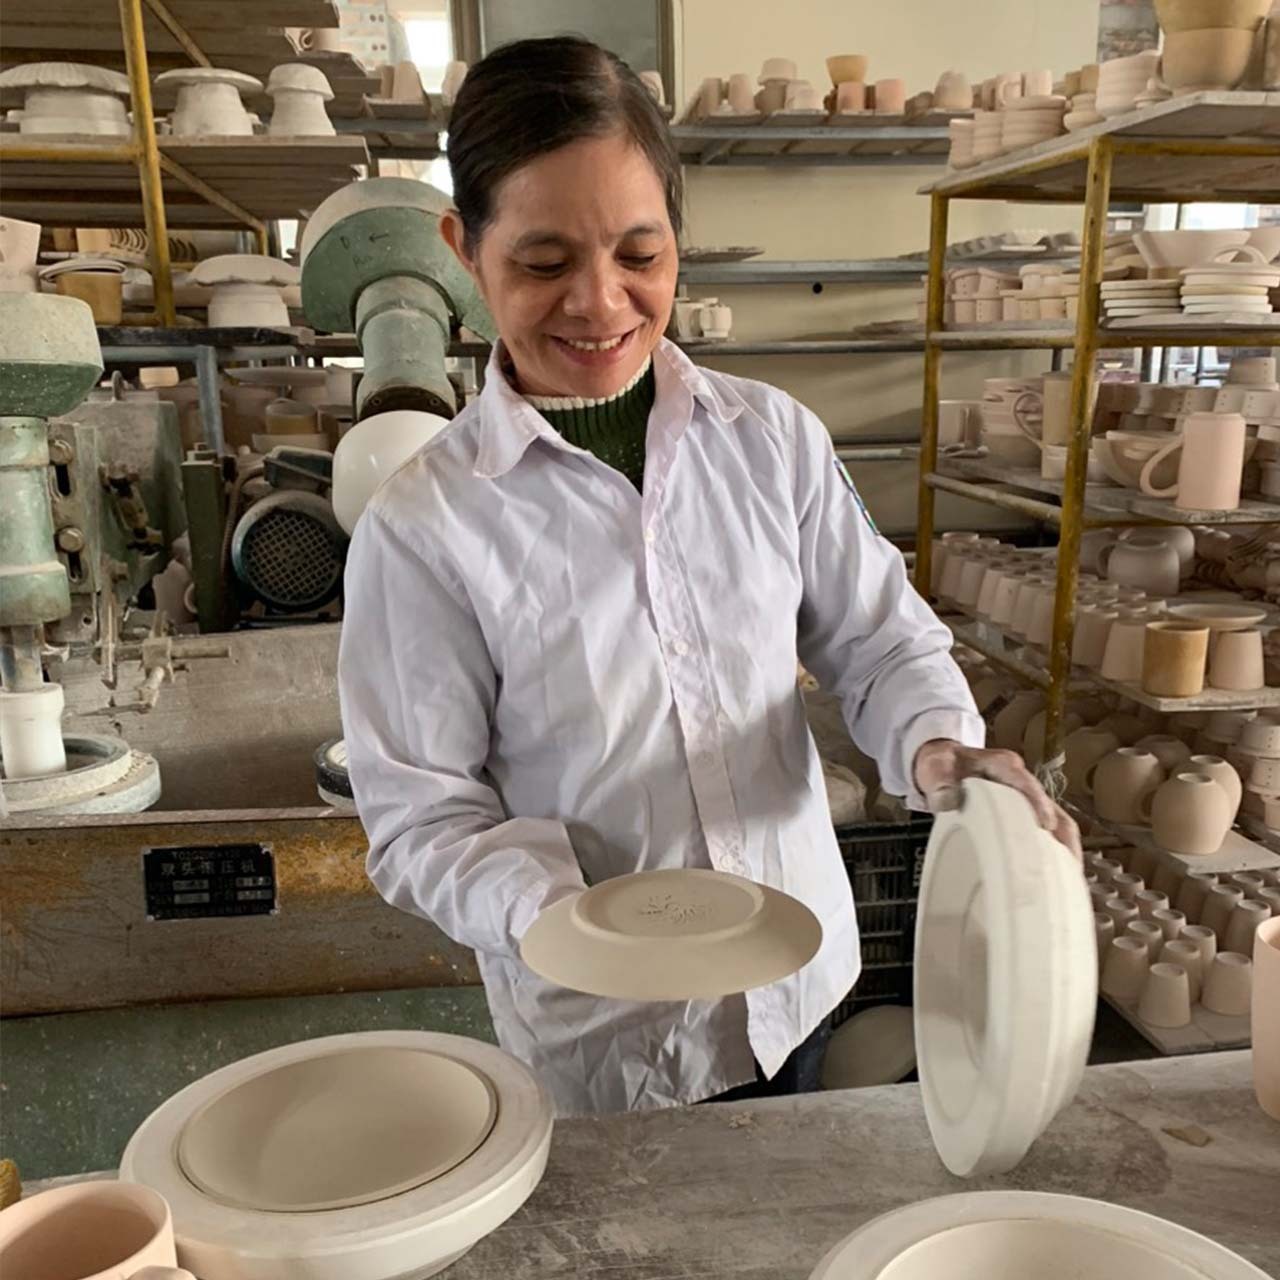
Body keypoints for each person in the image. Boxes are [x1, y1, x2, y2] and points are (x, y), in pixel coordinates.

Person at [339, 35, 1080, 1116]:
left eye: (639, 254)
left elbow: (879, 640)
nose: (601, 303)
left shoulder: (769, 440)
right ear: (465, 250)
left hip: (799, 981)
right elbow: (421, 818)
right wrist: (563, 916)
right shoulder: (426, 525)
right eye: (544, 263)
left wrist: (937, 746)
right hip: (614, 1043)